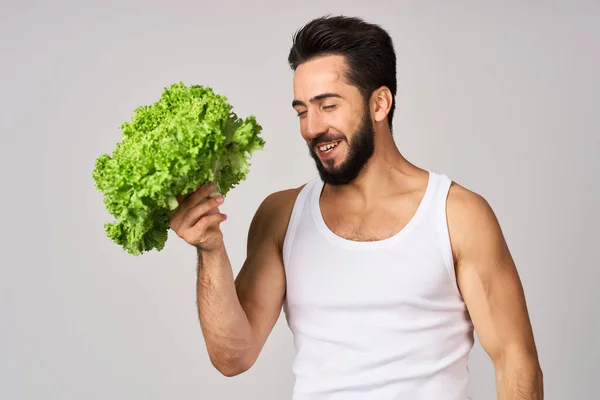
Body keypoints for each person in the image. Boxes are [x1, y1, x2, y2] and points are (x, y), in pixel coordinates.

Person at [168, 15, 543, 400]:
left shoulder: (456, 215)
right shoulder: (282, 216)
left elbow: (515, 359)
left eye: (327, 105)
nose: (311, 128)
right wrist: (210, 249)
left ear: (379, 103)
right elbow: (234, 356)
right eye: (301, 111)